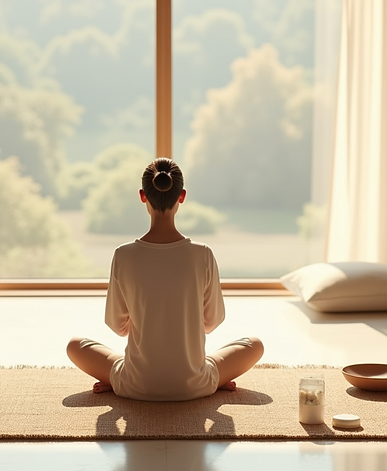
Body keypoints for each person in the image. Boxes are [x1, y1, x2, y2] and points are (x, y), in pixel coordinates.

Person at [66, 157, 264, 401]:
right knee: (254, 345)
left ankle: (118, 378)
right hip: (195, 385)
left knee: (75, 345)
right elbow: (211, 322)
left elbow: (118, 327)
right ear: (182, 196)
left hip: (135, 385)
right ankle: (213, 378)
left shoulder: (123, 255)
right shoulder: (203, 254)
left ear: (142, 196)